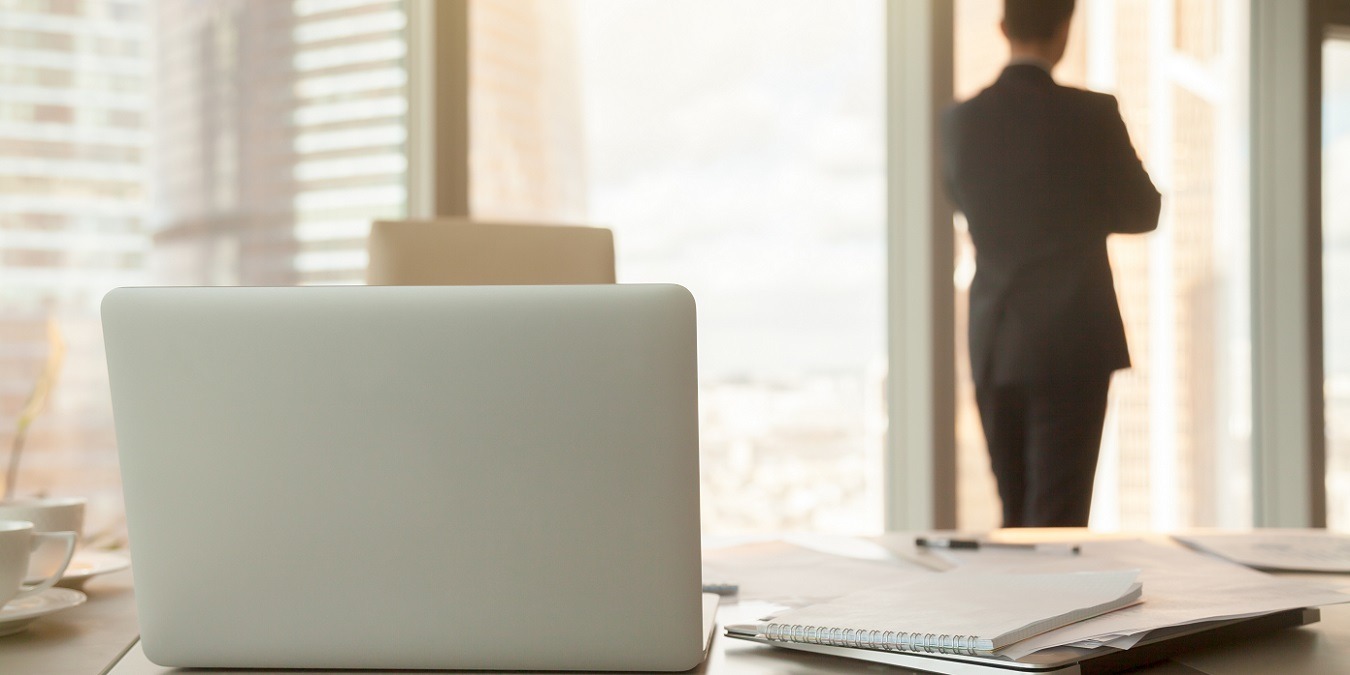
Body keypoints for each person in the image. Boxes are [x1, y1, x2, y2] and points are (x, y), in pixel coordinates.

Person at [940, 0, 1161, 527]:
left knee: (1015, 515)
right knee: (1059, 519)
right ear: (1065, 29)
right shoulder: (1093, 114)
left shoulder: (960, 122)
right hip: (1074, 339)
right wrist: (1080, 208)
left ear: (1002, 28)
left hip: (997, 339)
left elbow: (959, 202)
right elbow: (1144, 210)